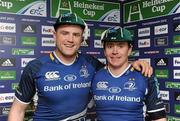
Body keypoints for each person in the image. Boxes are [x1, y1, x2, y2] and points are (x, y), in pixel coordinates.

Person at [8, 13, 153, 121]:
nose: (70, 39)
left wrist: (135, 64)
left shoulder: (91, 64)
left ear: (82, 39)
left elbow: (116, 67)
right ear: (54, 35)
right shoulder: (35, 67)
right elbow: (18, 110)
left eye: (76, 35)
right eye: (65, 33)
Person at [92, 26, 166, 121]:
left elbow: (159, 117)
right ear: (104, 51)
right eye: (110, 46)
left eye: (121, 46)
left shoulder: (145, 75)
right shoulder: (94, 75)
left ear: (129, 50)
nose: (115, 51)